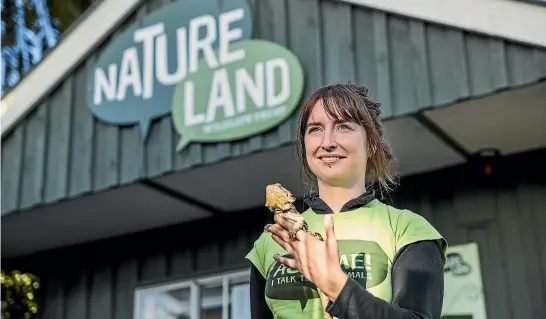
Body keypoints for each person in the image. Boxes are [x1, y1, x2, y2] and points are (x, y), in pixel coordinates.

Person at [245, 83, 448, 319]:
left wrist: (336, 287)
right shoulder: (270, 242)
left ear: (371, 142)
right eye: (315, 129)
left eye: (343, 126)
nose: (327, 142)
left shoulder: (407, 230)